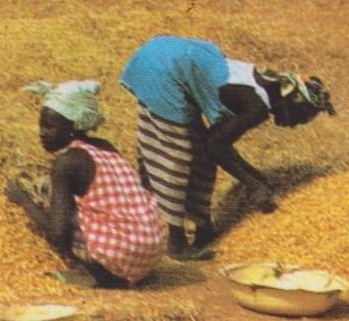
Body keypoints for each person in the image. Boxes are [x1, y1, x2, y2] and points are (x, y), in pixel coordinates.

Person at [119, 35, 335, 260]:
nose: (298, 123)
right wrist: (254, 183)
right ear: (292, 99)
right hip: (164, 70)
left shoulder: (260, 82)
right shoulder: (256, 107)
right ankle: (177, 244)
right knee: (177, 155)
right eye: (303, 115)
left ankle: (203, 228)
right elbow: (217, 146)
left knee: (198, 152)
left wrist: (255, 178)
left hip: (162, 54)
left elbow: (214, 142)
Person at [5, 80, 166, 288]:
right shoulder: (104, 146)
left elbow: (57, 234)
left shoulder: (66, 162)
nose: (42, 133)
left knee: (54, 205)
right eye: (41, 125)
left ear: (74, 126)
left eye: (50, 126)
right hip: (151, 252)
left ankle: (96, 274)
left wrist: (23, 201)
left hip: (119, 263)